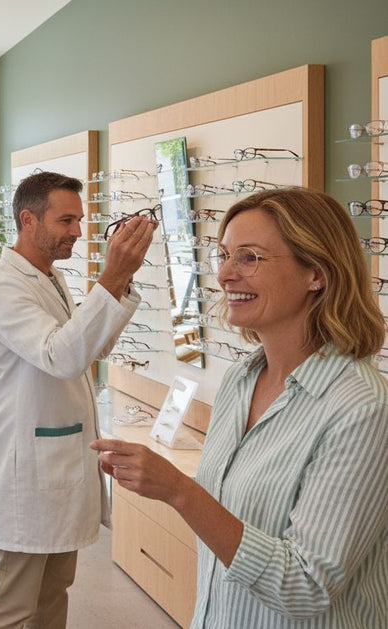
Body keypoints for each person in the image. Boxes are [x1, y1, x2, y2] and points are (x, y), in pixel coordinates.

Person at [92, 188, 388, 628]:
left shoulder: (362, 408)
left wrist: (179, 490)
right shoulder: (241, 378)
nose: (226, 274)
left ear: (317, 274)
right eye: (224, 255)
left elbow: (307, 587)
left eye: (249, 257)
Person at [0, 170, 155, 628]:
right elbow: (60, 356)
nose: (77, 231)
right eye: (67, 220)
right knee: (12, 605)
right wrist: (110, 279)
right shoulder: (3, 287)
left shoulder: (49, 278)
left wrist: (119, 284)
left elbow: (86, 346)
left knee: (54, 593)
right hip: (27, 470)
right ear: (29, 220)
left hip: (57, 458)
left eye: (79, 220)